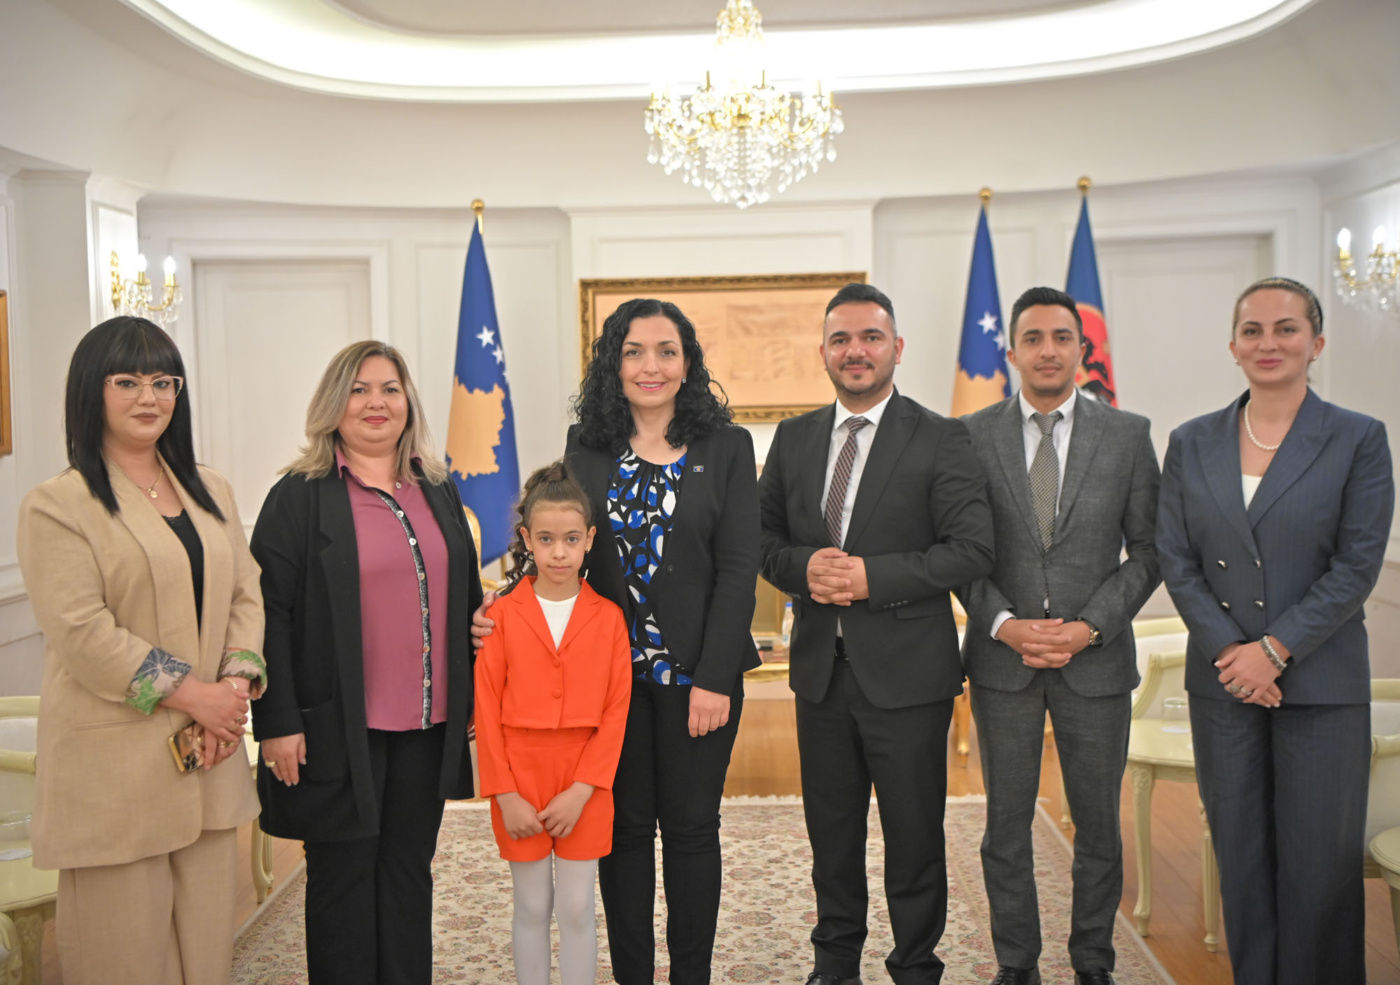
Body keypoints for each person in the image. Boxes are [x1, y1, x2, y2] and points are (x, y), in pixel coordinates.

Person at [475, 296, 760, 984]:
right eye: (633, 351)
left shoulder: (727, 446)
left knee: (691, 832)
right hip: (607, 686)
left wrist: (714, 676)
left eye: (666, 351)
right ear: (614, 362)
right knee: (625, 833)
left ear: (687, 363)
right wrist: (501, 604)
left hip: (698, 682)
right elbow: (562, 540)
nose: (650, 365)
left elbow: (738, 567)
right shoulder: (588, 443)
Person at [1156, 277, 1394, 985]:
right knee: (1243, 861)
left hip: (1321, 686)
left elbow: (1357, 565)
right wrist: (1235, 654)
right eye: (1252, 330)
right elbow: (1176, 558)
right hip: (1224, 686)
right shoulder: (1191, 441)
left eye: (1286, 328)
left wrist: (1273, 650)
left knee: (1320, 870)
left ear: (1316, 343)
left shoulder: (1358, 438)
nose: (1269, 342)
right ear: (1233, 346)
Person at [758, 282, 995, 985]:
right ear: (823, 352)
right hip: (820, 675)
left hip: (909, 675)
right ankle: (834, 965)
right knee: (831, 836)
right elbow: (761, 540)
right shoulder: (795, 438)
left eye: (870, 337)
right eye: (841, 339)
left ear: (897, 347)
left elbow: (972, 550)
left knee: (914, 837)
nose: (855, 351)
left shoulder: (942, 436)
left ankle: (916, 965)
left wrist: (871, 577)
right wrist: (803, 568)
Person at [16, 316, 265, 985]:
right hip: (115, 777)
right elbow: (84, 633)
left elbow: (247, 593)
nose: (148, 397)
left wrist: (232, 691)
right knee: (122, 959)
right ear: (91, 391)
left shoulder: (210, 488)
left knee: (207, 958)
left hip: (209, 761)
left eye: (163, 381)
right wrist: (199, 697)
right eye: (126, 381)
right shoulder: (58, 504)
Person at [250, 340, 483, 985]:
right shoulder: (298, 497)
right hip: (335, 728)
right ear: (335, 404)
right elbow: (267, 615)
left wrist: (475, 671)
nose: (376, 403)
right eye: (359, 389)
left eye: (389, 389)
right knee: (343, 881)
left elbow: (462, 594)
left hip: (427, 725)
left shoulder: (438, 488)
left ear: (408, 402)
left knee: (408, 873)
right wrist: (276, 721)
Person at [959, 287, 1161, 985]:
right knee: (1005, 827)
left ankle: (1093, 962)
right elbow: (959, 550)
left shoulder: (1128, 434)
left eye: (1061, 337)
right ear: (1011, 352)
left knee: (1099, 827)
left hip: (1095, 662)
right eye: (1033, 338)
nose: (1048, 350)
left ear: (1082, 348)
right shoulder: (970, 435)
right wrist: (1004, 624)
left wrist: (1089, 626)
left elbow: (1150, 551)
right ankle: (1017, 965)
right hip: (1002, 662)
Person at [475, 461, 632, 985]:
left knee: (577, 907)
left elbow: (616, 712)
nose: (559, 553)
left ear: (589, 539)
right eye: (545, 540)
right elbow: (486, 710)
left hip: (585, 785)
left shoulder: (609, 618)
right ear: (526, 539)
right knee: (532, 904)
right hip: (518, 780)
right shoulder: (499, 616)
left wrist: (584, 790)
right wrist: (504, 794)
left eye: (570, 539)